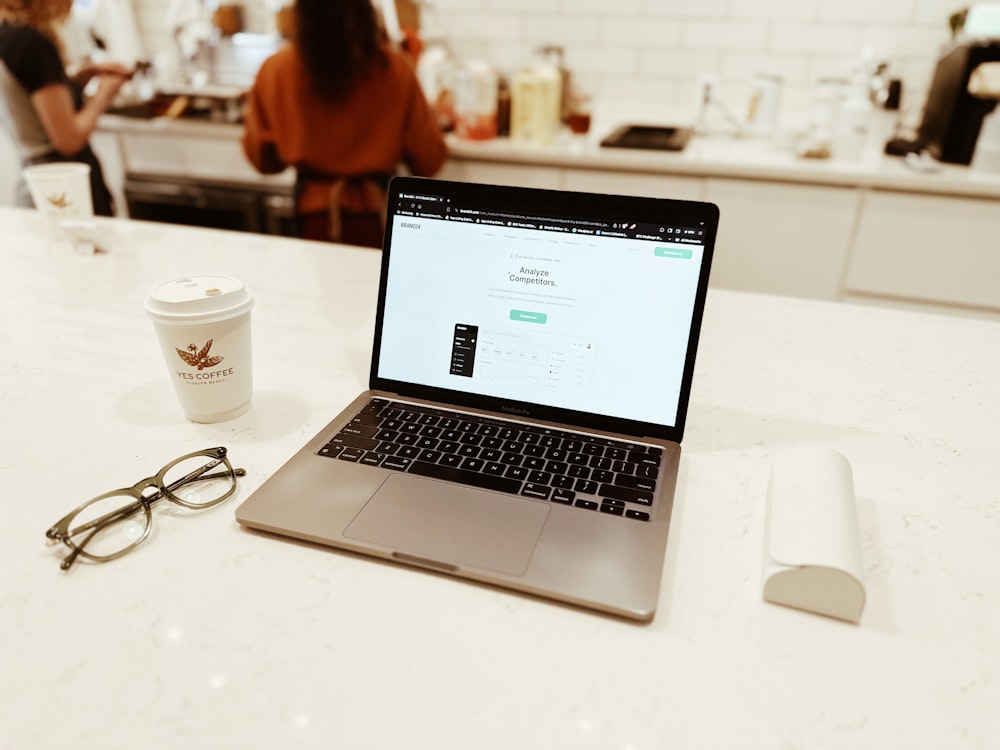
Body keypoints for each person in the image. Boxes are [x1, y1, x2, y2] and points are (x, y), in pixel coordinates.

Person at [242, 0, 447, 248]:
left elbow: (262, 158)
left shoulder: (276, 70)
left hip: (314, 221)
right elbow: (429, 160)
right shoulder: (396, 69)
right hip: (380, 219)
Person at [0, 0, 131, 216]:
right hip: (65, 187)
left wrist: (82, 77)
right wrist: (103, 95)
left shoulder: (7, 34)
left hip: (36, 182)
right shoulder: (31, 43)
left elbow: (32, 99)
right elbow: (68, 140)